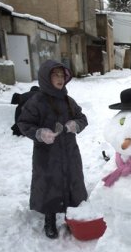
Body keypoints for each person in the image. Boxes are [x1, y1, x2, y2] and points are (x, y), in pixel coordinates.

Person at [17, 60, 88, 239]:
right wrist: (40, 133)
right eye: (55, 75)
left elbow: (82, 118)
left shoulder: (68, 100)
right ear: (46, 78)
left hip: (70, 151)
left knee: (72, 182)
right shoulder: (37, 101)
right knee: (50, 184)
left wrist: (75, 124)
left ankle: (71, 218)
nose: (59, 78)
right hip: (47, 155)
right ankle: (49, 220)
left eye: (62, 75)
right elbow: (24, 123)